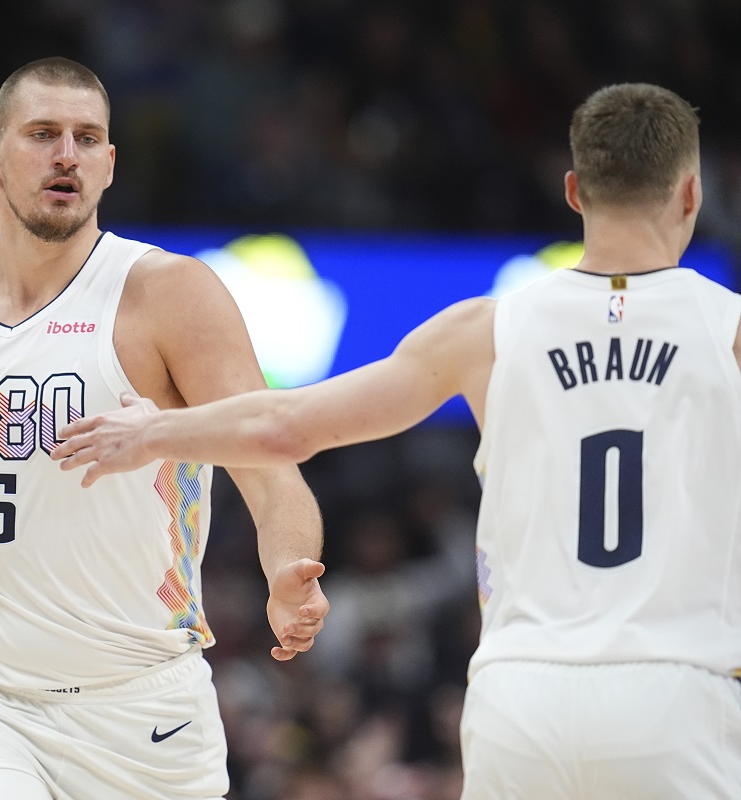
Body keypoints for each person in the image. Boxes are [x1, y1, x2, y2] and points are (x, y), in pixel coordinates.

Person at [52, 82, 741, 799]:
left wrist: (153, 430)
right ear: (691, 193)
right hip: (679, 690)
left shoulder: (485, 330)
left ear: (573, 191)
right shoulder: (729, 331)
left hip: (523, 695)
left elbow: (286, 425)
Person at [0, 56, 329, 800]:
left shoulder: (169, 295)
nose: (65, 156)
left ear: (110, 164)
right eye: (43, 134)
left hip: (145, 709)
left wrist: (287, 572)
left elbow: (273, 474)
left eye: (87, 139)